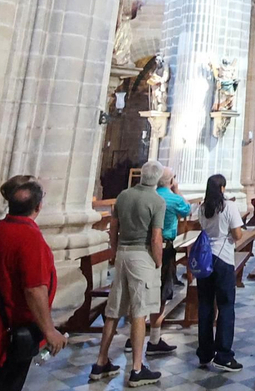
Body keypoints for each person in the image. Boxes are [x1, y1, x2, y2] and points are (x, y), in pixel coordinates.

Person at [0, 175, 66, 391]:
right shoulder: (30, 238)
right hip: (8, 336)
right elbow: (34, 290)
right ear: (38, 206)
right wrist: (49, 331)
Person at [92, 160, 166, 387]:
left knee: (113, 310)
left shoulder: (123, 195)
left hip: (122, 254)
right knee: (139, 311)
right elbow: (156, 237)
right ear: (158, 178)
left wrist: (115, 252)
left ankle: (100, 362)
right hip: (142, 256)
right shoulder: (157, 201)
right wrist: (158, 261)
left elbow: (113, 228)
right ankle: (137, 368)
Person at [196, 174, 244, 372]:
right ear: (222, 188)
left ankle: (205, 352)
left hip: (206, 260)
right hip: (223, 259)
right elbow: (238, 234)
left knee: (205, 306)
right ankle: (223, 354)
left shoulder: (202, 208)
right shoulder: (228, 206)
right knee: (225, 306)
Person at [146, 167, 192, 355]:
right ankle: (154, 339)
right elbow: (187, 209)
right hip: (165, 249)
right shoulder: (173, 199)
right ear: (171, 181)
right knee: (162, 293)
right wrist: (177, 190)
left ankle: (133, 338)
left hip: (145, 249)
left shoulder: (149, 196)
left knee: (143, 291)